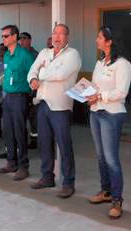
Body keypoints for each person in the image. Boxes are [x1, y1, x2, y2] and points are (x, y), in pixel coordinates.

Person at [27, 24, 81, 198]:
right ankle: (47, 176)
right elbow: (31, 71)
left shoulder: (73, 55)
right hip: (43, 103)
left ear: (67, 37)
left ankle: (68, 182)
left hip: (61, 106)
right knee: (44, 143)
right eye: (54, 33)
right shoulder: (44, 53)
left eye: (61, 33)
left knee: (64, 145)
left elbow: (60, 75)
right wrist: (34, 78)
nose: (57, 37)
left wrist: (41, 73)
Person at [86, 26, 131, 219]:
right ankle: (105, 191)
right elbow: (95, 86)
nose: (96, 40)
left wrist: (100, 95)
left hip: (112, 114)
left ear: (109, 41)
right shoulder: (100, 63)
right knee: (100, 156)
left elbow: (122, 92)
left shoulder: (123, 64)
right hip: (95, 112)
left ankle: (117, 200)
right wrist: (87, 93)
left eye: (99, 37)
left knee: (111, 158)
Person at [0, 25, 34, 181]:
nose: (3, 39)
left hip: (20, 97)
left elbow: (34, 75)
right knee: (8, 130)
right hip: (8, 97)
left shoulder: (24, 55)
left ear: (14, 37)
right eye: (2, 36)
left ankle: (24, 166)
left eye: (5, 36)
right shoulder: (6, 56)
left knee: (19, 131)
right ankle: (11, 162)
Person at [19, 32, 39, 149]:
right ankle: (23, 140)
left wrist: (34, 92)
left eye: (24, 39)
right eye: (20, 39)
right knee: (21, 117)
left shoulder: (35, 55)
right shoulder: (18, 54)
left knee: (33, 117)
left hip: (32, 91)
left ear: (30, 40)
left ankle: (34, 140)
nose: (21, 41)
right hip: (21, 90)